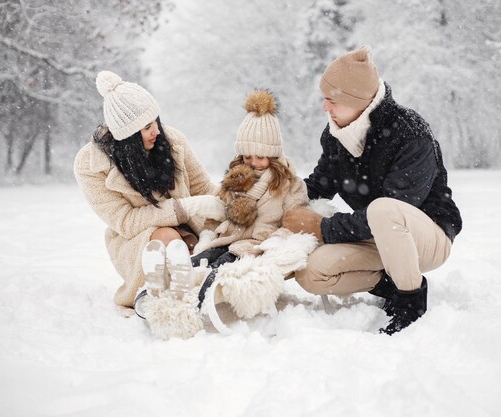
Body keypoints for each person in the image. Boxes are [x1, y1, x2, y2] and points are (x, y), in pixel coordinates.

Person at [283, 46, 462, 335]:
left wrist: (324, 228)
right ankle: (390, 285)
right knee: (312, 273)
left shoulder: (410, 133)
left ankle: (411, 303)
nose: (324, 108)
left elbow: (399, 206)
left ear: (357, 101)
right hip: (376, 236)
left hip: (426, 238)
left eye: (331, 100)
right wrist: (277, 196)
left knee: (383, 209)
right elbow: (318, 186)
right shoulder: (335, 136)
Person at [73, 71, 225, 317]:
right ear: (127, 137)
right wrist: (183, 209)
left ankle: (192, 289)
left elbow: (204, 189)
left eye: (155, 121)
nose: (156, 130)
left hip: (189, 232)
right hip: (136, 240)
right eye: (146, 127)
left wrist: (238, 201)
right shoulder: (90, 165)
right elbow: (126, 221)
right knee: (166, 236)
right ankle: (159, 296)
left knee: (205, 245)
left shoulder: (172, 140)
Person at [189, 89, 309, 307]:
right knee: (198, 262)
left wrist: (275, 240)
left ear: (274, 155)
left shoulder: (290, 184)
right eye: (247, 156)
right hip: (228, 239)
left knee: (222, 266)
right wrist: (206, 237)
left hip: (257, 244)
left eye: (261, 157)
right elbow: (218, 212)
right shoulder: (236, 179)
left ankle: (201, 301)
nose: (253, 162)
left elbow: (296, 221)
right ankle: (175, 290)